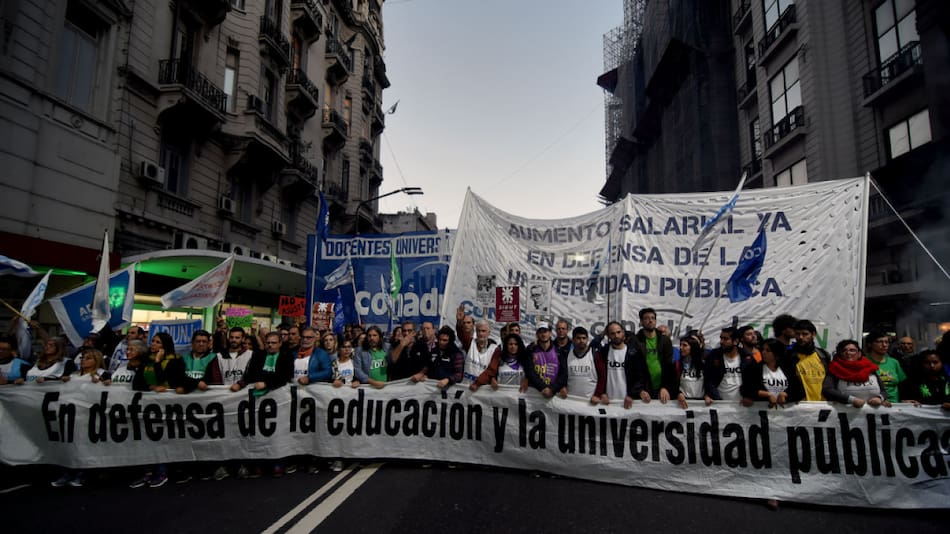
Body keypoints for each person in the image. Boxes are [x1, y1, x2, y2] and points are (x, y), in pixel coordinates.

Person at [230, 332, 293, 476]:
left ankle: (278, 462)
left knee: (277, 431)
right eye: (268, 343)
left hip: (278, 400)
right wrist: (240, 384)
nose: (270, 345)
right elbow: (250, 374)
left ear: (280, 343)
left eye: (273, 343)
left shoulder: (286, 357)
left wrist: (266, 383)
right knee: (258, 430)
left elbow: (284, 376)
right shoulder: (258, 356)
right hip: (258, 400)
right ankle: (259, 463)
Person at [822, 339, 890, 408]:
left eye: (852, 350)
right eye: (844, 350)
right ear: (840, 354)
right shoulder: (834, 369)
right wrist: (851, 400)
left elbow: (883, 391)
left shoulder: (870, 367)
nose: (848, 353)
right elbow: (827, 390)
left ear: (859, 354)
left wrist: (879, 398)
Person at [630, 308, 677, 404]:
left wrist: (665, 387)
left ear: (655, 321)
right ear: (641, 322)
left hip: (662, 388)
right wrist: (639, 390)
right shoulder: (635, 341)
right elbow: (632, 369)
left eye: (652, 318)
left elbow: (669, 366)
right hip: (644, 389)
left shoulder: (665, 340)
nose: (650, 320)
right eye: (646, 318)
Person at [594, 321, 642, 407]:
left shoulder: (633, 353)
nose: (616, 336)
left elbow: (639, 377)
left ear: (623, 332)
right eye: (612, 333)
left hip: (628, 401)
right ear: (608, 336)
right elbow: (592, 348)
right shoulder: (604, 351)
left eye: (618, 332)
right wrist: (602, 393)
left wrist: (632, 395)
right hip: (607, 401)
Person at [779, 319, 830, 401]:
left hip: (822, 406)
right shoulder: (787, 356)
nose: (800, 337)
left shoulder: (823, 355)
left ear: (813, 334)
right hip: (798, 406)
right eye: (797, 334)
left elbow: (829, 382)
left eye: (805, 334)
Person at [703, 327, 754, 405]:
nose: (721, 342)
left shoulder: (747, 357)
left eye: (726, 339)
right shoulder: (714, 356)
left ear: (736, 341)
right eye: (721, 338)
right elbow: (708, 379)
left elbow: (753, 380)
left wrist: (750, 396)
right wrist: (709, 395)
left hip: (742, 404)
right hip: (719, 404)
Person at [741, 339, 797, 408]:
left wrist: (785, 394)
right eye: (763, 350)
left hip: (786, 415)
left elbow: (798, 389)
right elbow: (745, 389)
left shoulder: (787, 368)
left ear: (777, 353)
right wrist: (767, 394)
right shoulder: (755, 368)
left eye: (768, 350)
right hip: (763, 413)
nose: (763, 352)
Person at [560, 326, 606, 404]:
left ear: (587, 339)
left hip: (591, 402)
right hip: (570, 401)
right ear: (573, 340)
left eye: (584, 338)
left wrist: (598, 394)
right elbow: (561, 375)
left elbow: (602, 377)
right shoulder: (566, 354)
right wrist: (562, 386)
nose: (581, 341)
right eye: (578, 338)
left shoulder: (595, 355)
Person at [522, 321, 568, 399]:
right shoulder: (531, 350)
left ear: (550, 333)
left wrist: (553, 389)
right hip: (535, 392)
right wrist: (543, 387)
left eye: (545, 331)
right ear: (537, 334)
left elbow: (564, 374)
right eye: (540, 332)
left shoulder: (559, 351)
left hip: (553, 393)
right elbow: (530, 372)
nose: (543, 334)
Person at [865, 331, 906, 403]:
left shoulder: (894, 362)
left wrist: (904, 400)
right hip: (872, 404)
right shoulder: (864, 361)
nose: (884, 345)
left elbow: (903, 384)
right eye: (880, 342)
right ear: (870, 344)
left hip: (894, 405)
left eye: (886, 342)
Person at [459, 317, 498, 383]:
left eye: (483, 331)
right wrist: (459, 321)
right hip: (466, 386)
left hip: (482, 390)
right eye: (478, 331)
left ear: (489, 333)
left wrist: (477, 383)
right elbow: (461, 334)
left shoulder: (495, 349)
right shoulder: (470, 343)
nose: (480, 334)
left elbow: (491, 370)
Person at [675, 336, 705, 409]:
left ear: (693, 347)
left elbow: (709, 383)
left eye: (684, 345)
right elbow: (673, 383)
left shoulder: (703, 365)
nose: (681, 348)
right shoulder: (677, 365)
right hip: (683, 402)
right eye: (680, 345)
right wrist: (678, 393)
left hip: (701, 403)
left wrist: (708, 395)